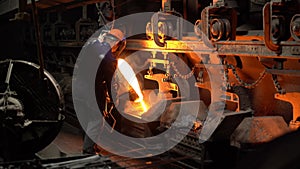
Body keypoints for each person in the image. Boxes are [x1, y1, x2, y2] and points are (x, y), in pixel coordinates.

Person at [81, 28, 126, 154]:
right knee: (96, 119)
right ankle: (88, 150)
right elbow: (111, 82)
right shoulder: (108, 57)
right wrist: (113, 99)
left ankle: (89, 145)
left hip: (80, 86)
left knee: (86, 117)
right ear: (116, 43)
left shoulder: (92, 45)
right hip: (92, 90)